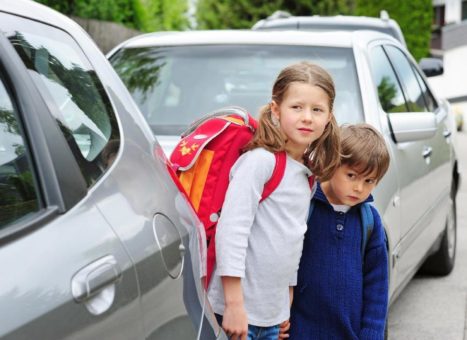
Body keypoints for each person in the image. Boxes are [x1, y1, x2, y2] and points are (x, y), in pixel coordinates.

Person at [207, 61, 341, 340]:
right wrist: (233, 305)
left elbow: (291, 239)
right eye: (297, 107)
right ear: (276, 110)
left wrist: (284, 304)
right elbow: (232, 231)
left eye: (317, 110)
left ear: (328, 117)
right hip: (236, 313)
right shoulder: (260, 162)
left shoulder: (306, 172)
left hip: (272, 317)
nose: (307, 117)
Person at [286, 123, 391, 340]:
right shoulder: (304, 206)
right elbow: (280, 266)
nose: (359, 188)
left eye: (369, 181)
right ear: (332, 163)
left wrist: (372, 334)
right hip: (300, 331)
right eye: (351, 175)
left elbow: (377, 287)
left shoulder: (370, 221)